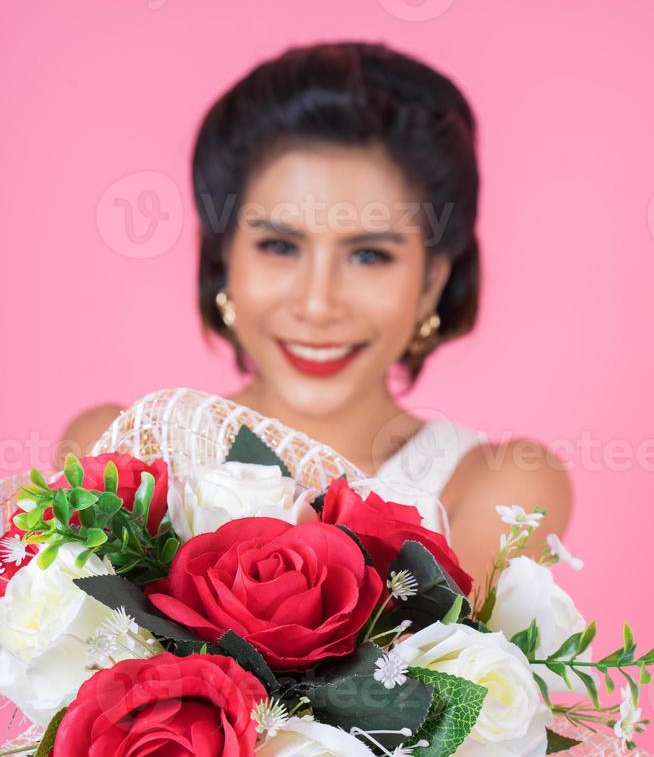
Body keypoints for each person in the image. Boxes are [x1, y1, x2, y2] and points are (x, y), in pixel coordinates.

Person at [55, 41, 571, 591]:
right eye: (279, 246)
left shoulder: (498, 485)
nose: (318, 304)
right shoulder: (120, 450)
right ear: (224, 258)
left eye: (370, 255)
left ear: (432, 282)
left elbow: (419, 675)